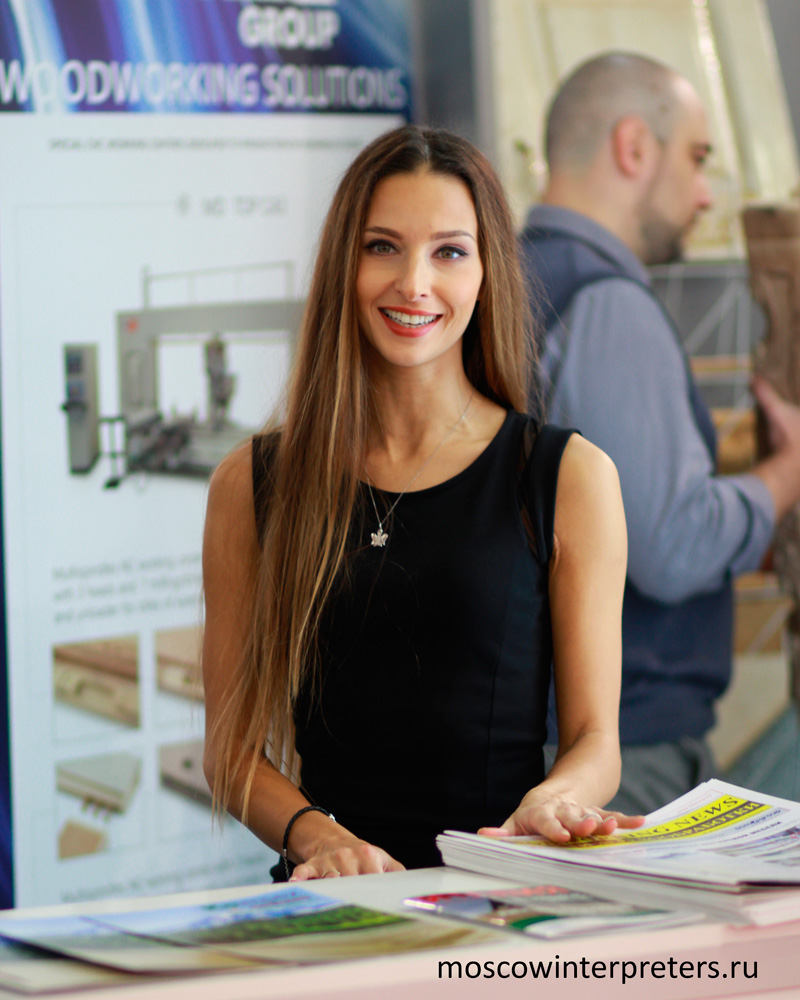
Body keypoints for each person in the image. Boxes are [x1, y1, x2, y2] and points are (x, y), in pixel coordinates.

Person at [202, 124, 641, 882]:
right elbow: (230, 751)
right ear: (345, 262)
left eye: (448, 251)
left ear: (484, 271)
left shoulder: (568, 477)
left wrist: (556, 800)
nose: (413, 283)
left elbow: (596, 740)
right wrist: (317, 838)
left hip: (503, 895)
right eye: (382, 246)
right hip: (333, 904)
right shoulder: (251, 483)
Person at [519, 52, 800, 814]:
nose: (706, 193)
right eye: (698, 159)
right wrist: (785, 473)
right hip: (620, 751)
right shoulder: (607, 305)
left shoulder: (509, 282)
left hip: (540, 740)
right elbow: (672, 547)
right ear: (634, 147)